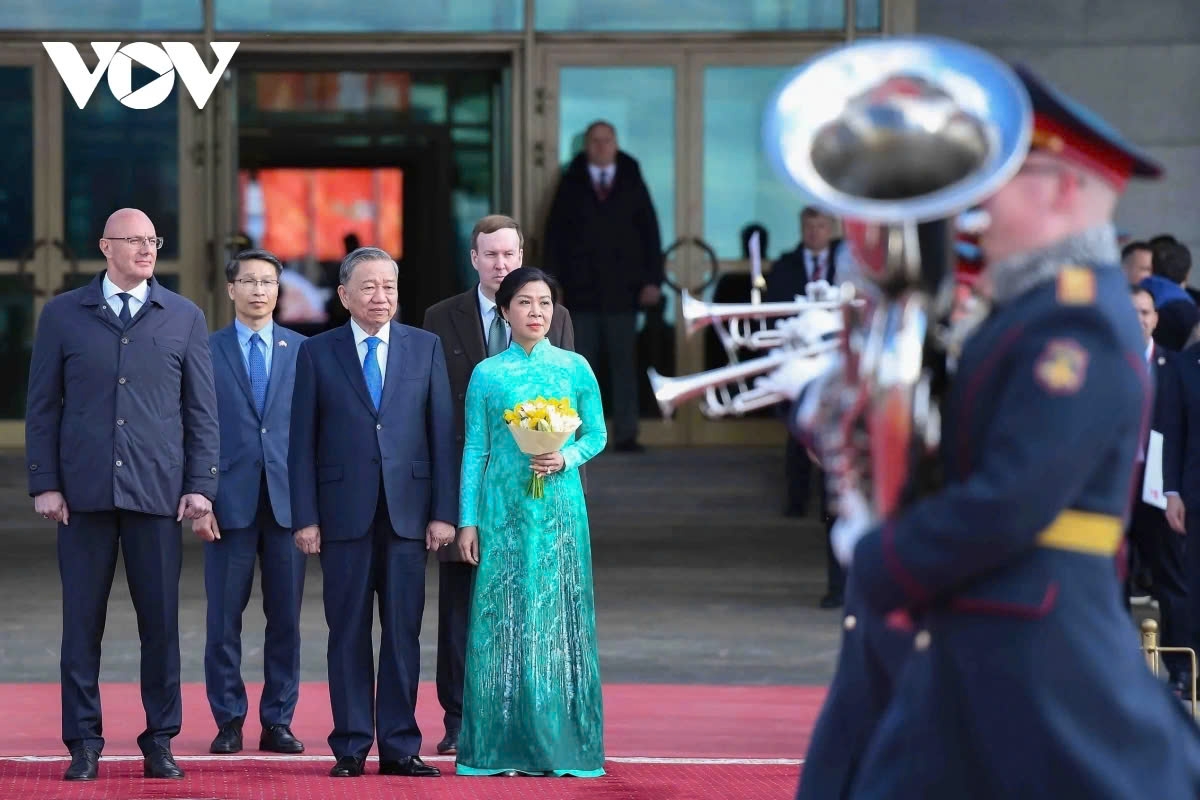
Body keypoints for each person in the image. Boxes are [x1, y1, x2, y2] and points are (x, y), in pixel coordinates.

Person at [822, 63, 1200, 796]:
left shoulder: (1078, 321)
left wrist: (880, 558)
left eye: (1003, 174)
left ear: (1062, 190)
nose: (976, 197)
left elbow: (1013, 497)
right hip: (993, 625)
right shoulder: (1038, 307)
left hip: (1038, 636)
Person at [25, 207, 219, 782]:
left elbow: (201, 411)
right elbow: (41, 406)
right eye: (133, 240)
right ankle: (83, 741)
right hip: (81, 494)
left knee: (159, 624)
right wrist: (45, 481)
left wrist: (202, 484)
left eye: (153, 240)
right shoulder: (63, 315)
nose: (146, 249)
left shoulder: (182, 316)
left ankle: (160, 739)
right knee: (81, 624)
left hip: (156, 492)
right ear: (105, 247)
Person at [288, 246, 457, 779]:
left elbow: (441, 434)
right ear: (343, 295)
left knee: (404, 633)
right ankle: (352, 744)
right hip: (341, 517)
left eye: (389, 286)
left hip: (409, 515)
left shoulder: (425, 347)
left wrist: (443, 513)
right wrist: (305, 518)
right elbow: (300, 445)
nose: (380, 297)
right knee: (348, 632)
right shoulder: (317, 353)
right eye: (368, 287)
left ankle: (402, 745)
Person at [421, 214, 577, 756]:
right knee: (462, 607)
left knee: (533, 604)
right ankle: (459, 718)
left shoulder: (555, 319)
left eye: (509, 254)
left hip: (534, 491)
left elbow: (574, 412)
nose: (502, 264)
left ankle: (527, 715)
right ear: (474, 258)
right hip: (467, 483)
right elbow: (437, 411)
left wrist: (561, 457)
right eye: (491, 255)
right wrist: (453, 505)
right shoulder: (440, 318)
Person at [455, 267, 607, 777]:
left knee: (556, 613)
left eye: (544, 303)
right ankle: (498, 745)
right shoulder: (488, 373)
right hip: (502, 506)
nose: (536, 313)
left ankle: (561, 745)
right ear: (504, 312)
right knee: (504, 616)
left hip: (560, 507)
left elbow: (597, 434)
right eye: (524, 303)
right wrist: (467, 520)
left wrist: (565, 457)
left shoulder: (574, 367)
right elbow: (476, 447)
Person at [194, 249, 308, 755]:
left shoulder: (305, 350)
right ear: (231, 289)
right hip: (227, 502)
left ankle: (278, 720)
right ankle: (228, 720)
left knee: (285, 619)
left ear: (279, 291)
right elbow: (192, 427)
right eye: (249, 281)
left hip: (287, 505)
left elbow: (315, 433)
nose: (259, 291)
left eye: (268, 282)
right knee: (223, 620)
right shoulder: (204, 348)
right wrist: (200, 497)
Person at [544, 119, 664, 452]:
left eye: (607, 141)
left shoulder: (631, 178)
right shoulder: (571, 181)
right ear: (586, 146)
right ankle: (581, 437)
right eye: (595, 141)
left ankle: (626, 434)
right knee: (581, 368)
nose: (601, 147)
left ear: (616, 144)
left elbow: (649, 231)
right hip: (580, 293)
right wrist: (552, 288)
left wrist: (653, 280)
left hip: (623, 294)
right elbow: (556, 236)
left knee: (624, 367)